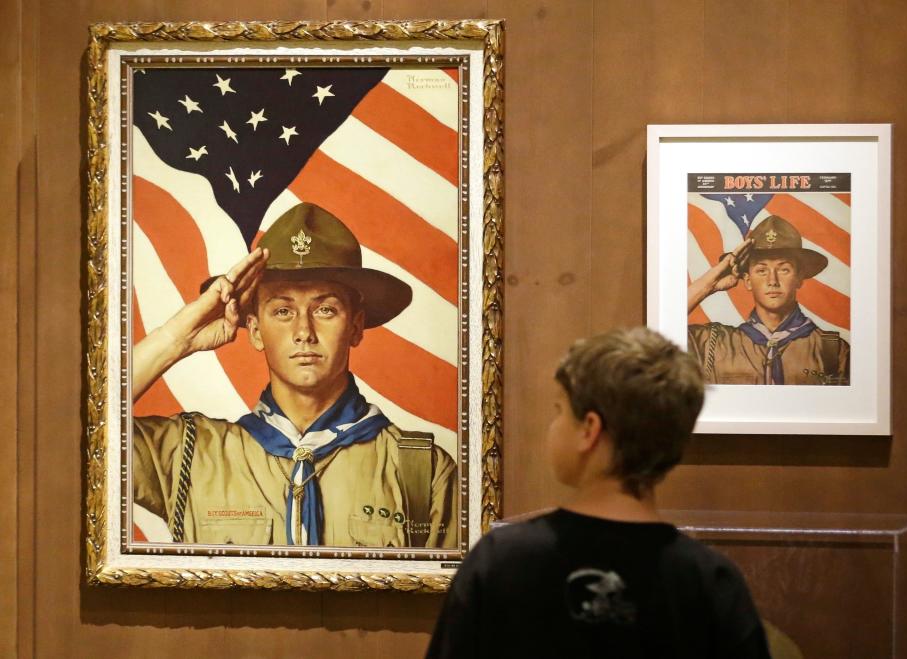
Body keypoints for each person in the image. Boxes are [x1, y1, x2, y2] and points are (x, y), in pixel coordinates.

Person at [426, 327, 770, 659]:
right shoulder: (709, 580)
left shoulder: (502, 561)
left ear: (589, 429)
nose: (552, 426)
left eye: (559, 411)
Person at [131, 202, 457, 548]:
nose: (304, 331)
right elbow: (78, 431)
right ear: (254, 330)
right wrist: (174, 338)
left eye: (325, 309)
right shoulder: (189, 454)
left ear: (356, 327)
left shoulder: (421, 470)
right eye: (283, 311)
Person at [687, 215, 850, 385]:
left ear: (799, 278)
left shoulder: (832, 350)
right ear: (748, 280)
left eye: (784, 269)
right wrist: (708, 284)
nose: (772, 280)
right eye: (761, 271)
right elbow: (665, 328)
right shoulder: (713, 343)